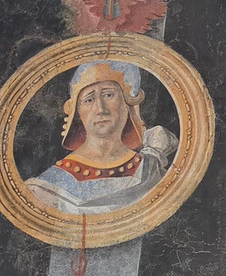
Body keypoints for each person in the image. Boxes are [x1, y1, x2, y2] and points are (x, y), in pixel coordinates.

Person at [26, 60, 178, 214]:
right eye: (89, 99)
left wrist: (153, 158)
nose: (100, 109)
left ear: (128, 104)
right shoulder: (46, 188)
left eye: (108, 95)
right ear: (77, 112)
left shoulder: (151, 170)